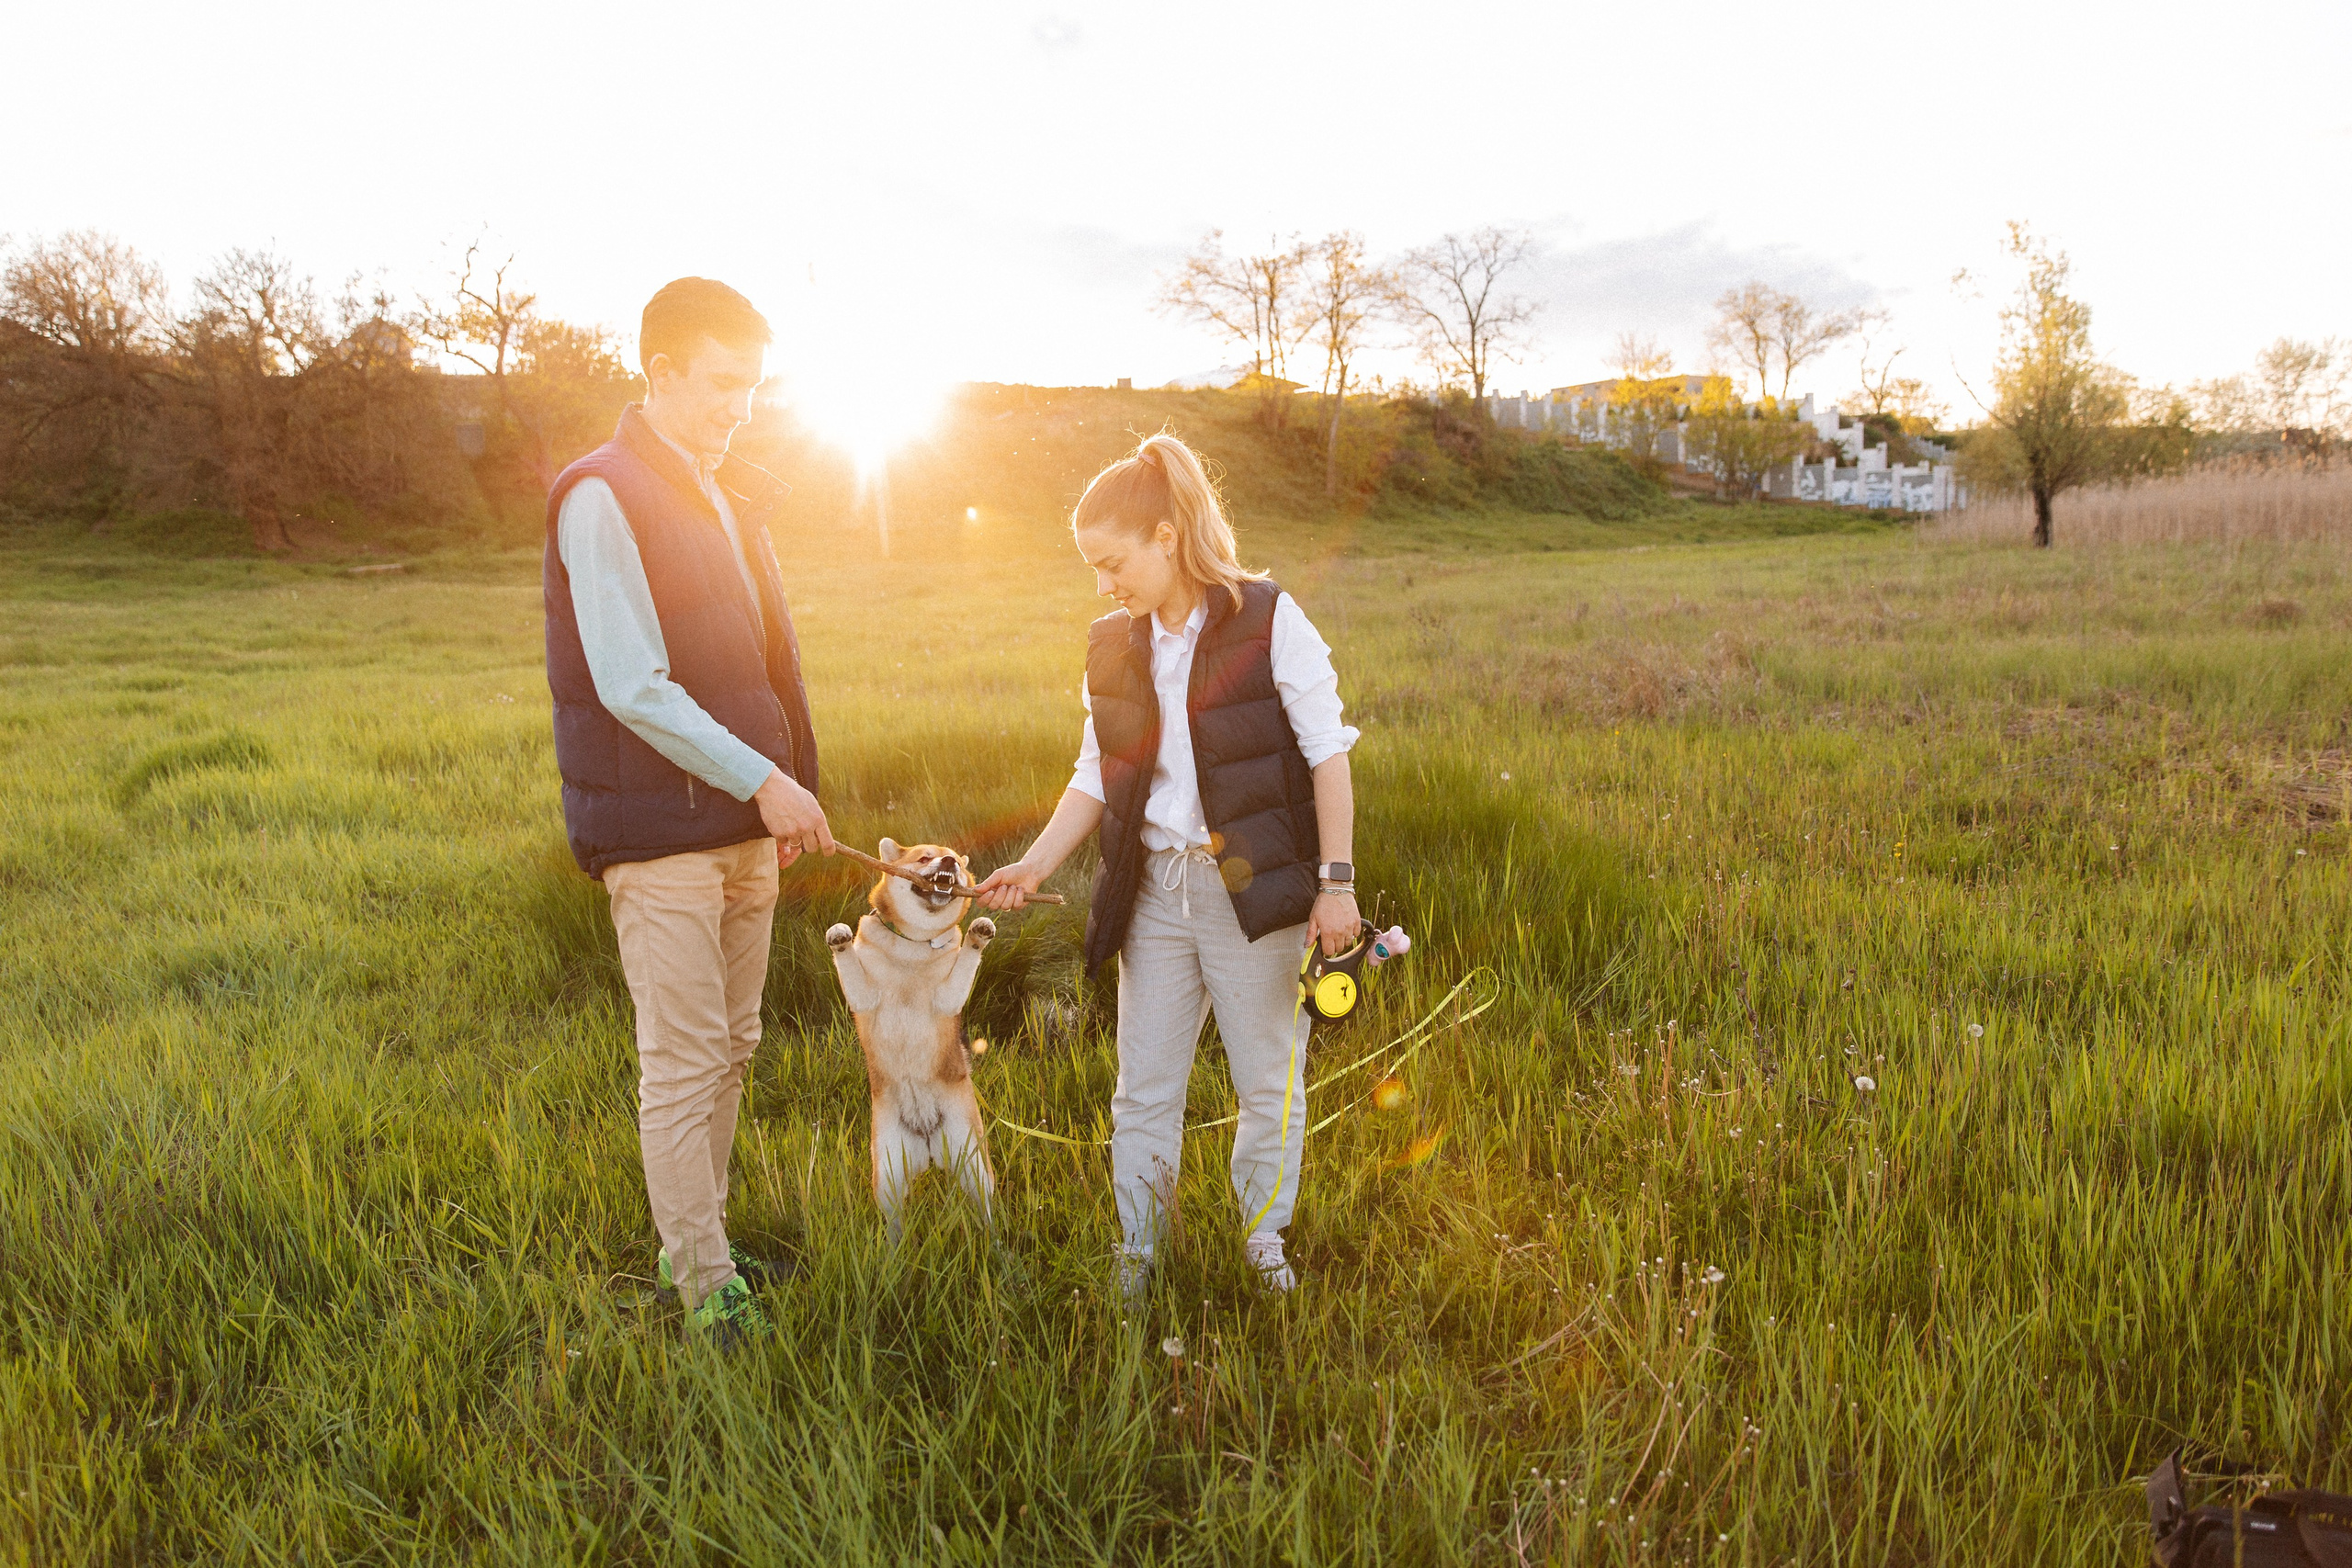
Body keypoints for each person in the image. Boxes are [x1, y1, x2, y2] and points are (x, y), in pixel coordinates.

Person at [974, 432, 1360, 1299]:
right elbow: (1094, 773)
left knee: (1269, 1084)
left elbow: (1328, 753)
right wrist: (1032, 866)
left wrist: (1336, 886)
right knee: (1143, 1089)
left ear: (1166, 537)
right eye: (1091, 567)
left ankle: (1264, 1246)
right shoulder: (1114, 642)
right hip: (1154, 892)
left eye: (1111, 562)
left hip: (1254, 895)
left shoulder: (1268, 617)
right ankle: (1139, 1254)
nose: (1102, 584)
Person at [542, 277, 834, 1346]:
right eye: (722, 384)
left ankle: (698, 1252)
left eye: (753, 388)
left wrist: (789, 793)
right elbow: (630, 683)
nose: (739, 407)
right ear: (660, 372)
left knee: (737, 1045)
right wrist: (765, 779)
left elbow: (766, 667)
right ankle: (704, 1287)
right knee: (682, 1056)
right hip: (658, 833)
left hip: (747, 828)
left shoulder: (726, 493)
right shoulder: (600, 494)